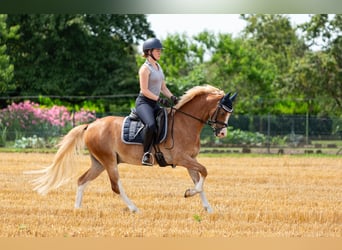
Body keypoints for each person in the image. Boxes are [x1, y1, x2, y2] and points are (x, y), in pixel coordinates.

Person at [135, 38, 178, 166]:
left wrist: (173, 97)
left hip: (154, 103)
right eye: (157, 50)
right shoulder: (144, 69)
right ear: (149, 52)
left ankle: (166, 153)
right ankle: (146, 154)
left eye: (160, 50)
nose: (160, 53)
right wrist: (159, 99)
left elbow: (163, 88)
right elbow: (144, 90)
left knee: (170, 120)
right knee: (151, 125)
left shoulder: (158, 67)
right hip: (144, 103)